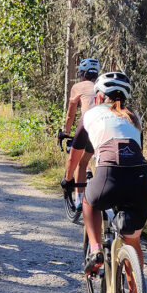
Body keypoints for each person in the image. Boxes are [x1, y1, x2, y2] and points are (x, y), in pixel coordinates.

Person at [61, 72, 147, 275]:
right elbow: (138, 150)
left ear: (100, 96)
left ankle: (94, 250)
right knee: (133, 240)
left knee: (89, 201)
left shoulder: (90, 115)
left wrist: (68, 180)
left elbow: (73, 158)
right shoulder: (134, 117)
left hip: (109, 175)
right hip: (141, 178)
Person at [59, 58, 100, 210]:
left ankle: (74, 193)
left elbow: (70, 115)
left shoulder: (78, 86)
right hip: (102, 126)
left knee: (74, 161)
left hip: (86, 124)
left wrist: (65, 132)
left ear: (82, 74)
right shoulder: (102, 87)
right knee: (85, 161)